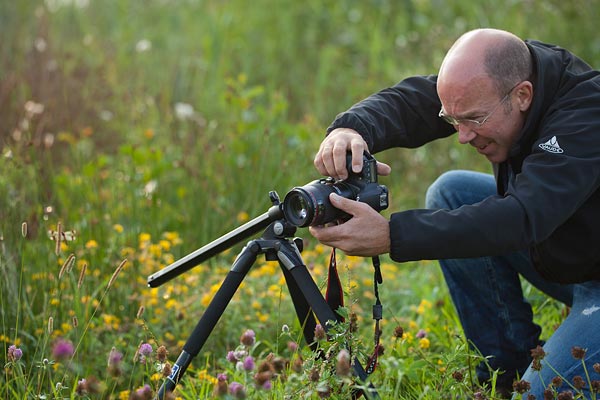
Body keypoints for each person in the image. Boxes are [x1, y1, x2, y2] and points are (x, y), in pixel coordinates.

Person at [309, 28, 600, 398]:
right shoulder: (504, 79)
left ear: (523, 95)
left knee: (540, 395)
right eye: (453, 121)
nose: (462, 136)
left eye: (474, 120)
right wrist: (353, 127)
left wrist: (393, 235)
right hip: (572, 256)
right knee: (451, 193)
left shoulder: (587, 113)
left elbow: (523, 216)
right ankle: (504, 372)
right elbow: (417, 102)